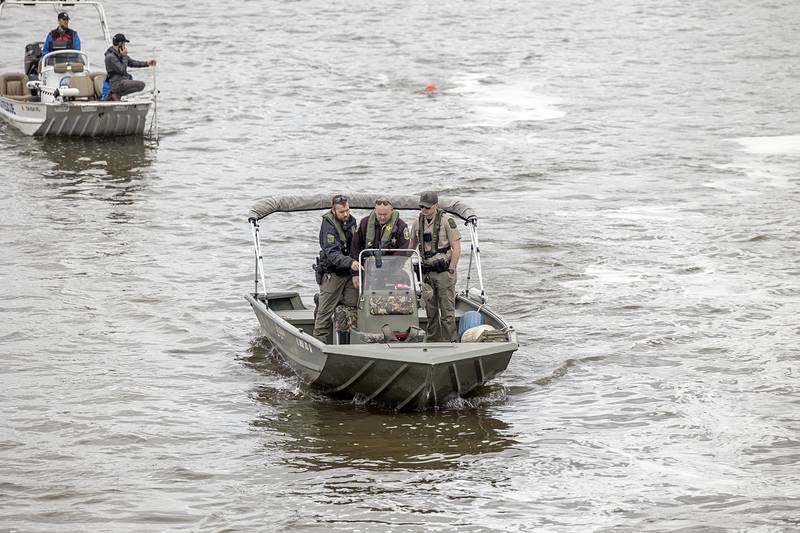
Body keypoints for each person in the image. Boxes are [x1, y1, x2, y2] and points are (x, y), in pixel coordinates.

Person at [409, 191, 461, 342]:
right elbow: (411, 246)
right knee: (430, 312)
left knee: (447, 312)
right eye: (421, 207)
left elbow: (456, 248)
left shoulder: (446, 221)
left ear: (436, 206)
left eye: (427, 207)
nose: (424, 210)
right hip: (426, 273)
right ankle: (433, 340)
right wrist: (398, 261)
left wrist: (451, 269)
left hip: (444, 272)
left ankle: (451, 341)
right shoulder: (418, 222)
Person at [312, 195, 362, 342]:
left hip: (349, 273)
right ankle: (318, 343)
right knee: (324, 313)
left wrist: (355, 270)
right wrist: (350, 262)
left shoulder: (352, 222)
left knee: (354, 304)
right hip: (332, 273)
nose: (345, 214)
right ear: (334, 211)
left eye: (347, 210)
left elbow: (356, 245)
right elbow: (332, 253)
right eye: (341, 212)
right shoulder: (328, 225)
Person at [349, 196, 411, 288]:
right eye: (379, 214)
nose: (382, 217)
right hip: (368, 270)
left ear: (391, 211)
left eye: (385, 214)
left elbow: (403, 251)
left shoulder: (401, 226)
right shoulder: (364, 223)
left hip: (392, 271)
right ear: (375, 211)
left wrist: (388, 269)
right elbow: (355, 248)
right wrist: (355, 274)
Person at [102, 33, 156, 101]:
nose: (125, 46)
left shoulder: (119, 54)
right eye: (124, 43)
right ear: (120, 43)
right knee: (140, 84)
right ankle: (113, 95)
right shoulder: (110, 57)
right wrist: (124, 56)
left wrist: (147, 63)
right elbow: (122, 70)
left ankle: (115, 95)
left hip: (121, 81)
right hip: (116, 83)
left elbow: (132, 63)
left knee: (141, 86)